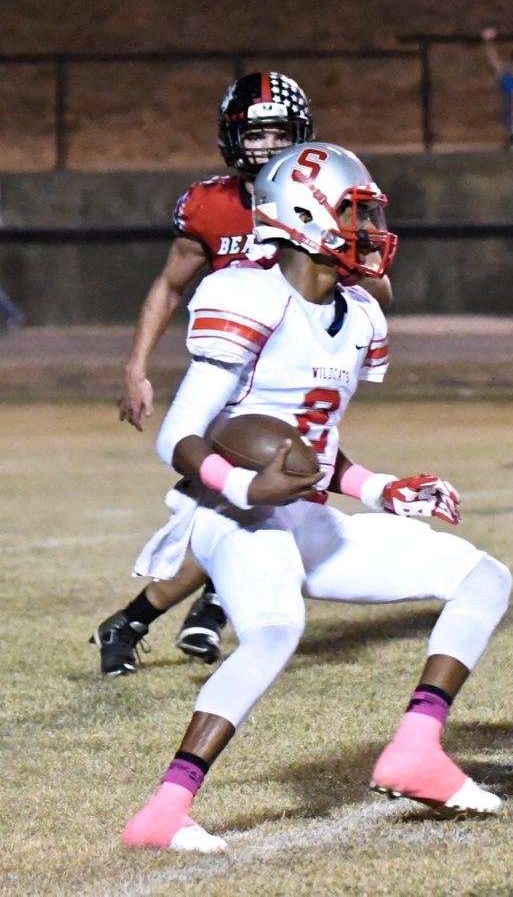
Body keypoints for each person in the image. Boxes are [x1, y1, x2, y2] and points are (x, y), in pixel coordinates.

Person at [121, 142, 511, 852]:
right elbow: (178, 433)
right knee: (275, 629)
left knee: (483, 576)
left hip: (301, 512)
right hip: (227, 513)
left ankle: (416, 750)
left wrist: (382, 487)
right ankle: (164, 811)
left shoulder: (358, 313)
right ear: (304, 217)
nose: (369, 231)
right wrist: (245, 485)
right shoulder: (248, 295)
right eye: (355, 214)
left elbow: (314, 453)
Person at [93, 72, 393, 675]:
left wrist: (347, 263)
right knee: (248, 503)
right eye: (251, 135)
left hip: (293, 373)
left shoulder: (326, 189)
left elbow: (377, 283)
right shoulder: (210, 202)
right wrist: (136, 367)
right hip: (235, 377)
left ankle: (164, 617)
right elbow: (171, 284)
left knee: (252, 507)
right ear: (230, 140)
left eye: (276, 133)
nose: (262, 146)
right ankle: (180, 613)